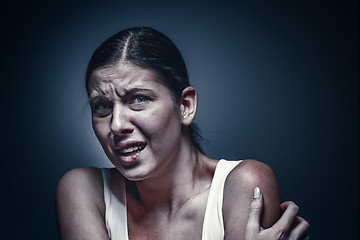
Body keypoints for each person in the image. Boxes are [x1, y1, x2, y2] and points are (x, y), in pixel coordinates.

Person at [56, 27, 309, 240]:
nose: (116, 125)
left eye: (138, 99)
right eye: (102, 106)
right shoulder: (83, 190)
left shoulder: (244, 184)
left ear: (185, 106)